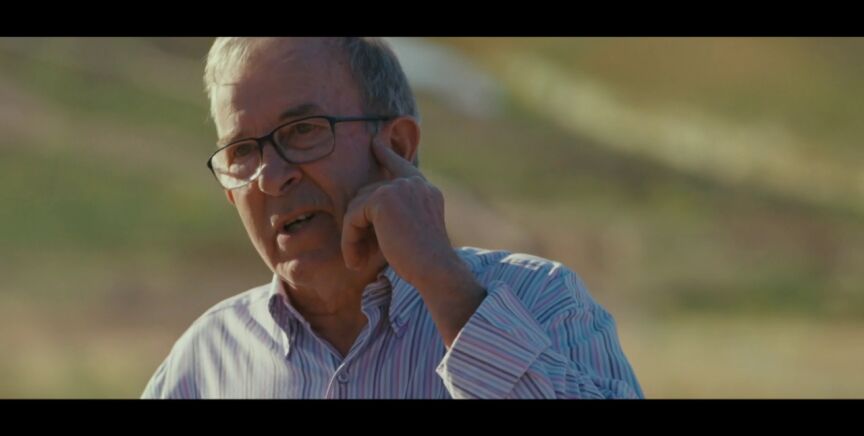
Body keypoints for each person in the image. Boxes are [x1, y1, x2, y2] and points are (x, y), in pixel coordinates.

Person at [141, 37, 643, 399]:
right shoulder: (205, 363)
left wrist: (447, 288)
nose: (271, 178)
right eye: (242, 152)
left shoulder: (543, 301)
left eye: (303, 130)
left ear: (397, 147)